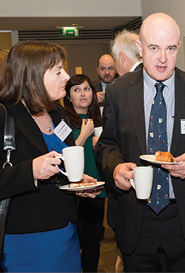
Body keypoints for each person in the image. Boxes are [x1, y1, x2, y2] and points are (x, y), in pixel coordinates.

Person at [95, 12, 185, 272]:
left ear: (179, 47)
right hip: (136, 218)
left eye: (170, 48)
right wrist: (116, 167)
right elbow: (107, 145)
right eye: (154, 48)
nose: (163, 58)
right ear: (140, 48)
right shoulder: (119, 93)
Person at [0, 41, 97, 272]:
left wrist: (76, 181)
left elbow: (59, 166)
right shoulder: (3, 116)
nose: (67, 76)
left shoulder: (57, 112)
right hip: (26, 239)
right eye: (58, 71)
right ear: (32, 76)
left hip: (66, 232)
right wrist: (30, 171)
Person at [64, 74, 106, 272]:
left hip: (96, 188)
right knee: (72, 243)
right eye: (76, 89)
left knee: (92, 243)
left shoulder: (101, 120)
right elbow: (62, 157)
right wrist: (83, 135)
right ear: (68, 96)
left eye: (87, 89)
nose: (82, 94)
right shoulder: (62, 122)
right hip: (72, 191)